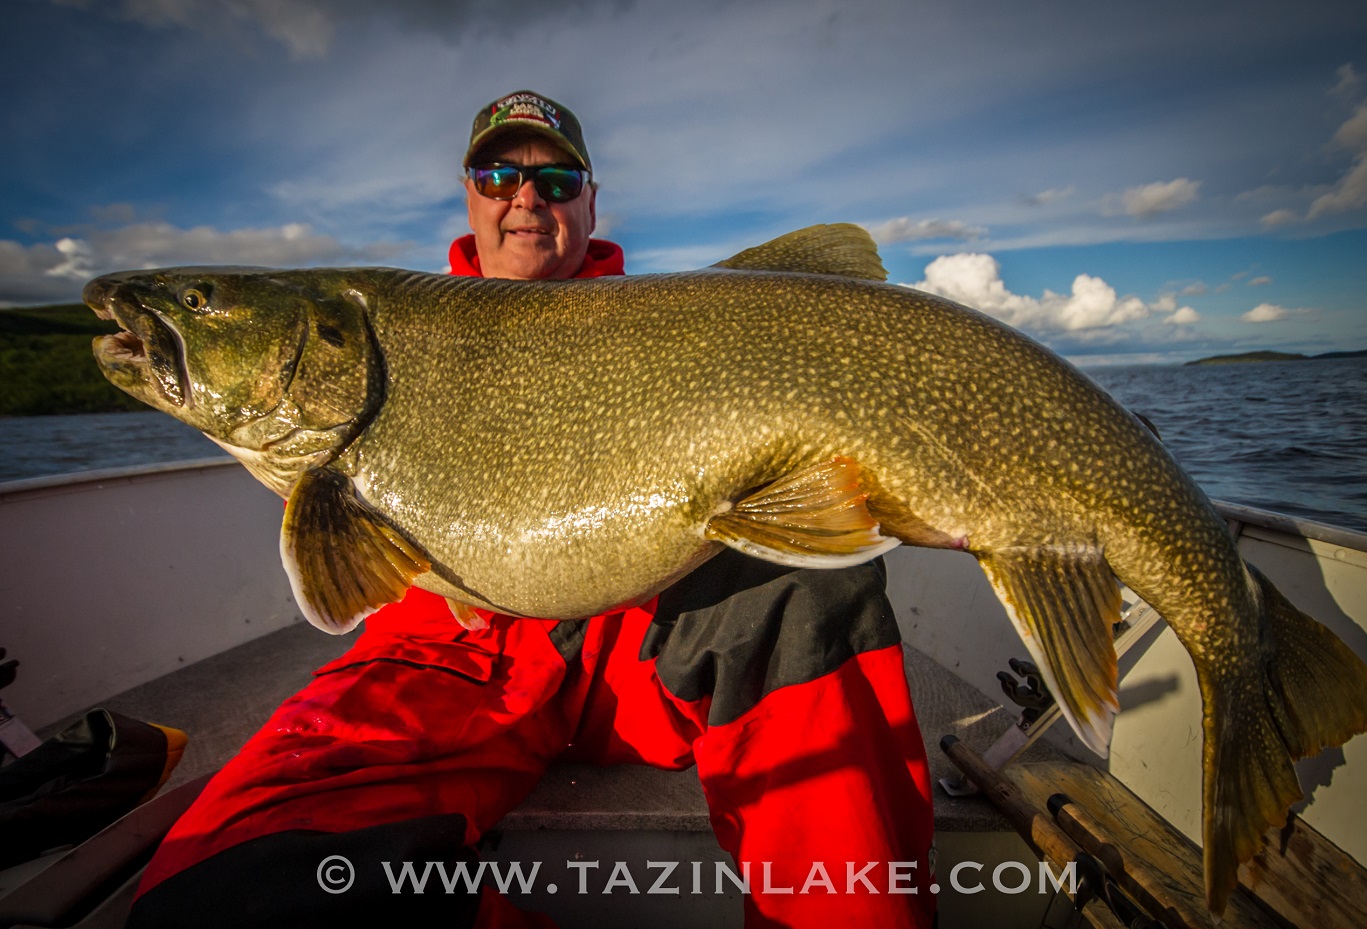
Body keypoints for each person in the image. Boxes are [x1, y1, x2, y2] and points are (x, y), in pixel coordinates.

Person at [128, 90, 936, 929]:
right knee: (228, 890)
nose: (525, 195)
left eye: (556, 179)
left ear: (590, 202)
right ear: (470, 194)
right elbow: (342, 585)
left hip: (642, 647)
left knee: (809, 591)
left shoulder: (687, 323)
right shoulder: (388, 323)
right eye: (498, 173)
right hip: (443, 659)